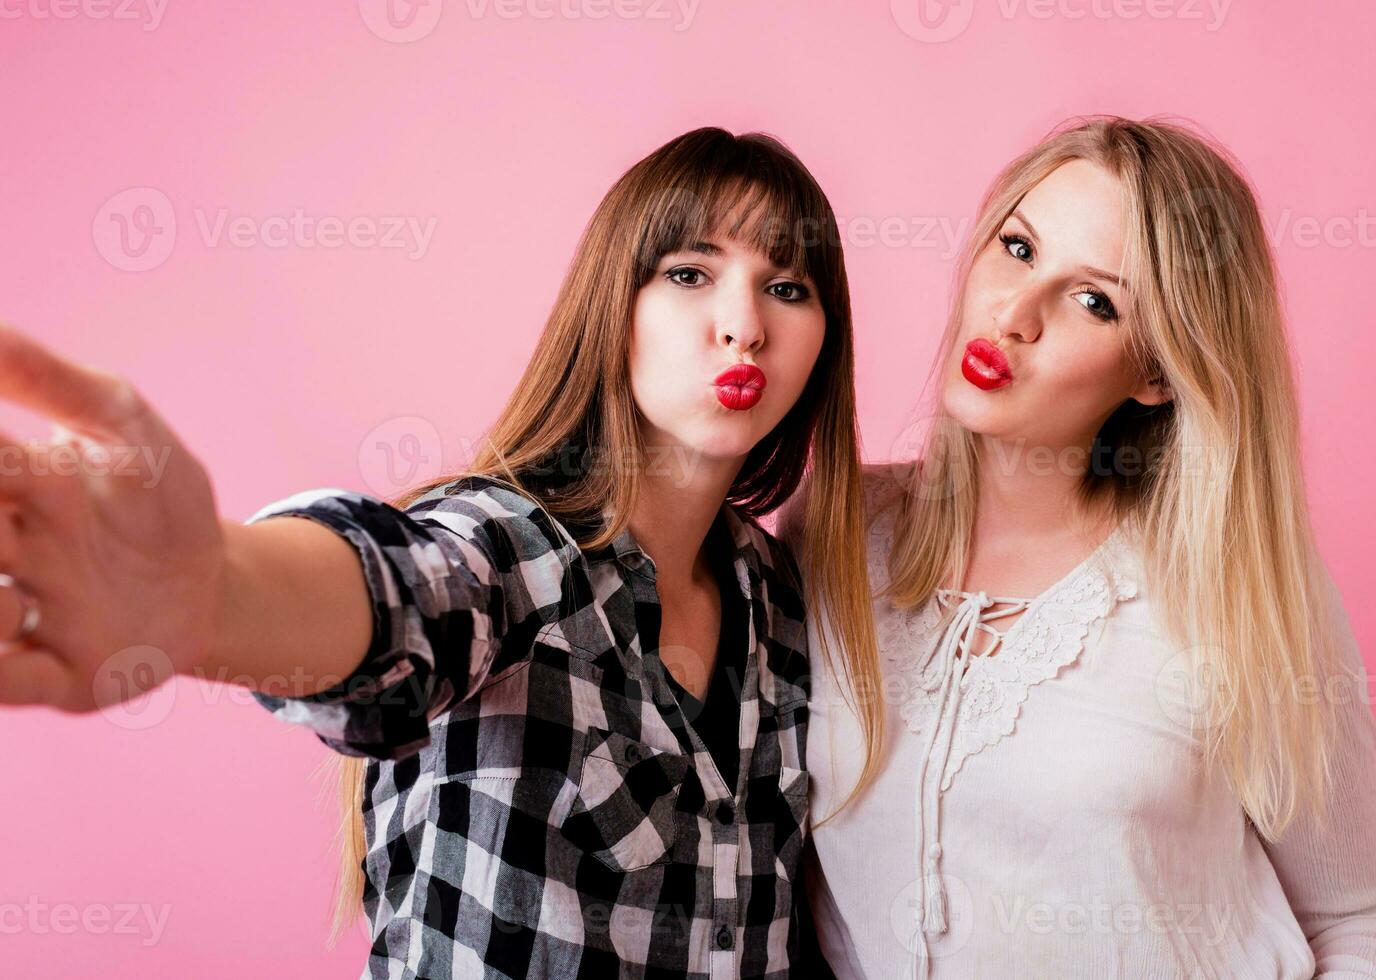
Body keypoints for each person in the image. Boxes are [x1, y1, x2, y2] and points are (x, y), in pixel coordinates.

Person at [0, 126, 880, 979]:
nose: (744, 325)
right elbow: (402, 590)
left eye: (789, 288)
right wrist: (214, 595)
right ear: (614, 304)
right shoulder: (511, 547)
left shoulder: (783, 600)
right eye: (689, 273)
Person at [779, 116, 1376, 979]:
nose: (1013, 314)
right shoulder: (832, 530)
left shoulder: (1240, 589)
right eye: (1016, 248)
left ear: (1158, 372)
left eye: (1094, 301)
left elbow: (1361, 929)